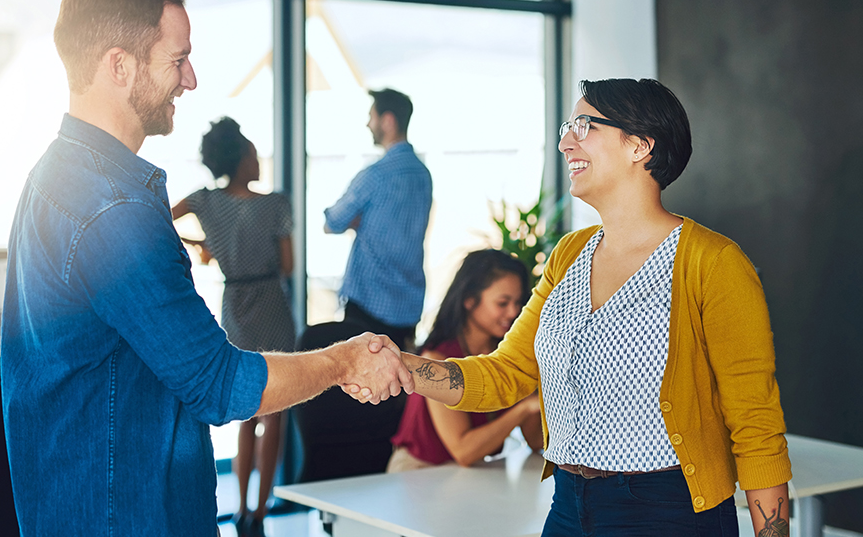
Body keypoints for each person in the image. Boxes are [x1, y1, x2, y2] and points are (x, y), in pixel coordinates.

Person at [0, 0, 411, 537]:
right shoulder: (112, 208)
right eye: (177, 59)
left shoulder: (55, 176)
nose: (190, 79)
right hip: (128, 517)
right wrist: (343, 361)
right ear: (119, 65)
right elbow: (220, 384)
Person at [348, 78, 792, 536]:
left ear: (640, 146)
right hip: (569, 506)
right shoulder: (568, 255)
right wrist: (400, 366)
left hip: (667, 511)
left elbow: (756, 428)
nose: (565, 142)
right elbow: (506, 374)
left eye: (583, 126)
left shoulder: (713, 263)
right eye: (567, 127)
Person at [171, 117, 294, 536]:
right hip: (271, 304)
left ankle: (240, 508)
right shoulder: (276, 204)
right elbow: (289, 266)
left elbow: (160, 218)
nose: (258, 158)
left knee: (247, 407)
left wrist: (203, 246)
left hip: (235, 303)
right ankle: (260, 510)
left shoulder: (206, 202)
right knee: (275, 411)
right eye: (253, 151)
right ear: (241, 158)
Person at [386, 249, 544, 472]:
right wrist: (523, 409)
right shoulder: (436, 359)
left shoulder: (506, 355)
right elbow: (464, 451)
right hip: (419, 473)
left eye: (518, 303)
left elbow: (536, 442)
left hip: (473, 475)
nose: (513, 312)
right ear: (469, 300)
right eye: (502, 303)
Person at [322, 88, 433, 350]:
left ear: (388, 121)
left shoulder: (376, 175)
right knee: (401, 384)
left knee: (363, 387)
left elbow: (333, 222)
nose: (367, 123)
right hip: (408, 304)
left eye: (371, 116)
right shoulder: (423, 174)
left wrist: (358, 218)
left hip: (370, 302)